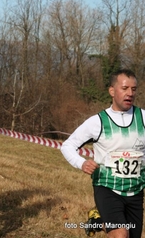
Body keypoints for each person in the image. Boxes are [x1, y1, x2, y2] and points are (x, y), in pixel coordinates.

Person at [60, 69, 145, 238]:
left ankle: (98, 222)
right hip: (107, 187)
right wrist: (81, 162)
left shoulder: (142, 117)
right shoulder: (97, 122)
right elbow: (67, 145)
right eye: (125, 88)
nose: (130, 93)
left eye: (133, 89)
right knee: (121, 234)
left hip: (135, 189)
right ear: (112, 91)